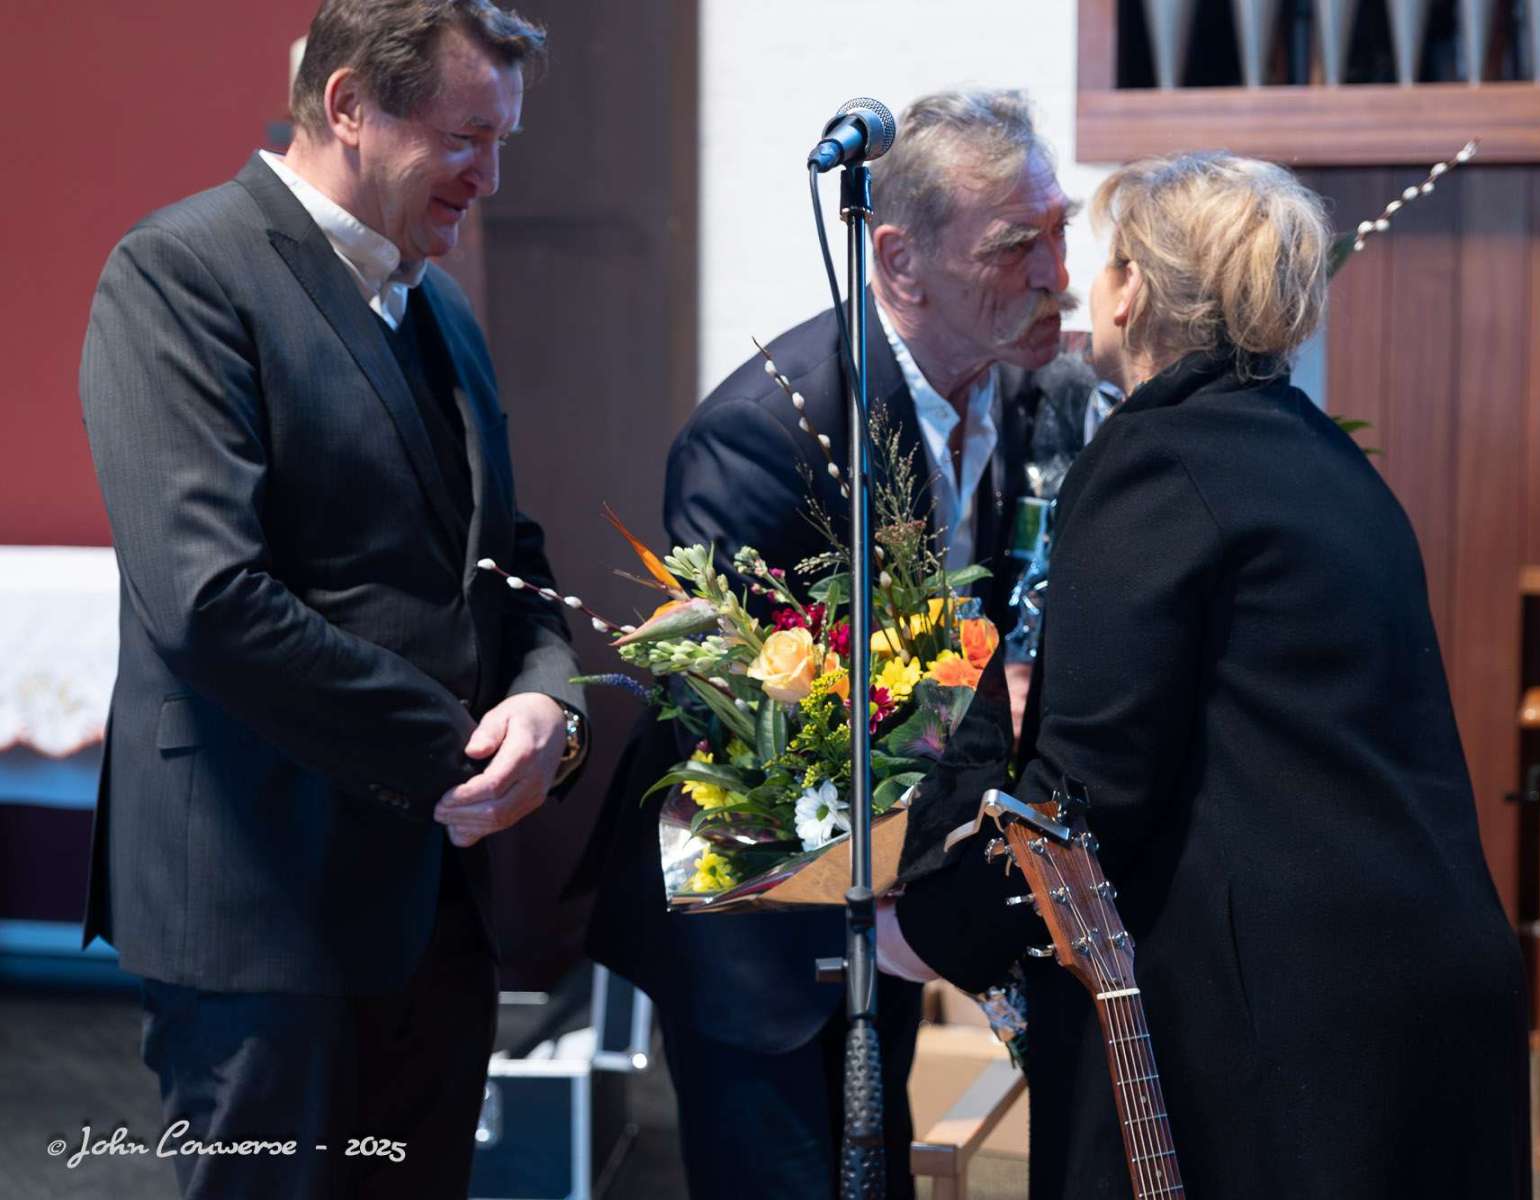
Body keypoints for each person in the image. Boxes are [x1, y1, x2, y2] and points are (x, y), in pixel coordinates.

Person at [890, 153, 1532, 1198]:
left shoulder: (1156, 461)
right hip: (1418, 974)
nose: (1080, 284)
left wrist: (925, 921)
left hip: (1298, 1014)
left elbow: (1086, 799)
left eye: (1102, 261)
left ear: (1135, 289)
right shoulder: (1317, 452)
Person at [78, 3, 585, 1196]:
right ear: (351, 105)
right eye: (467, 136)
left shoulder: (440, 306)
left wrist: (548, 705)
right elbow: (209, 600)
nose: (490, 177)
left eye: (502, 141)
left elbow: (505, 557)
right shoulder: (181, 271)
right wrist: (460, 751)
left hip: (432, 908)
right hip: (262, 903)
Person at [581, 89, 1087, 1198]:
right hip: (753, 915)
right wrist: (964, 714)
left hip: (894, 882)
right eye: (1016, 245)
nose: (1058, 271)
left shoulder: (1022, 391)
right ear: (898, 261)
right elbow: (727, 713)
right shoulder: (768, 429)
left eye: (1061, 232)